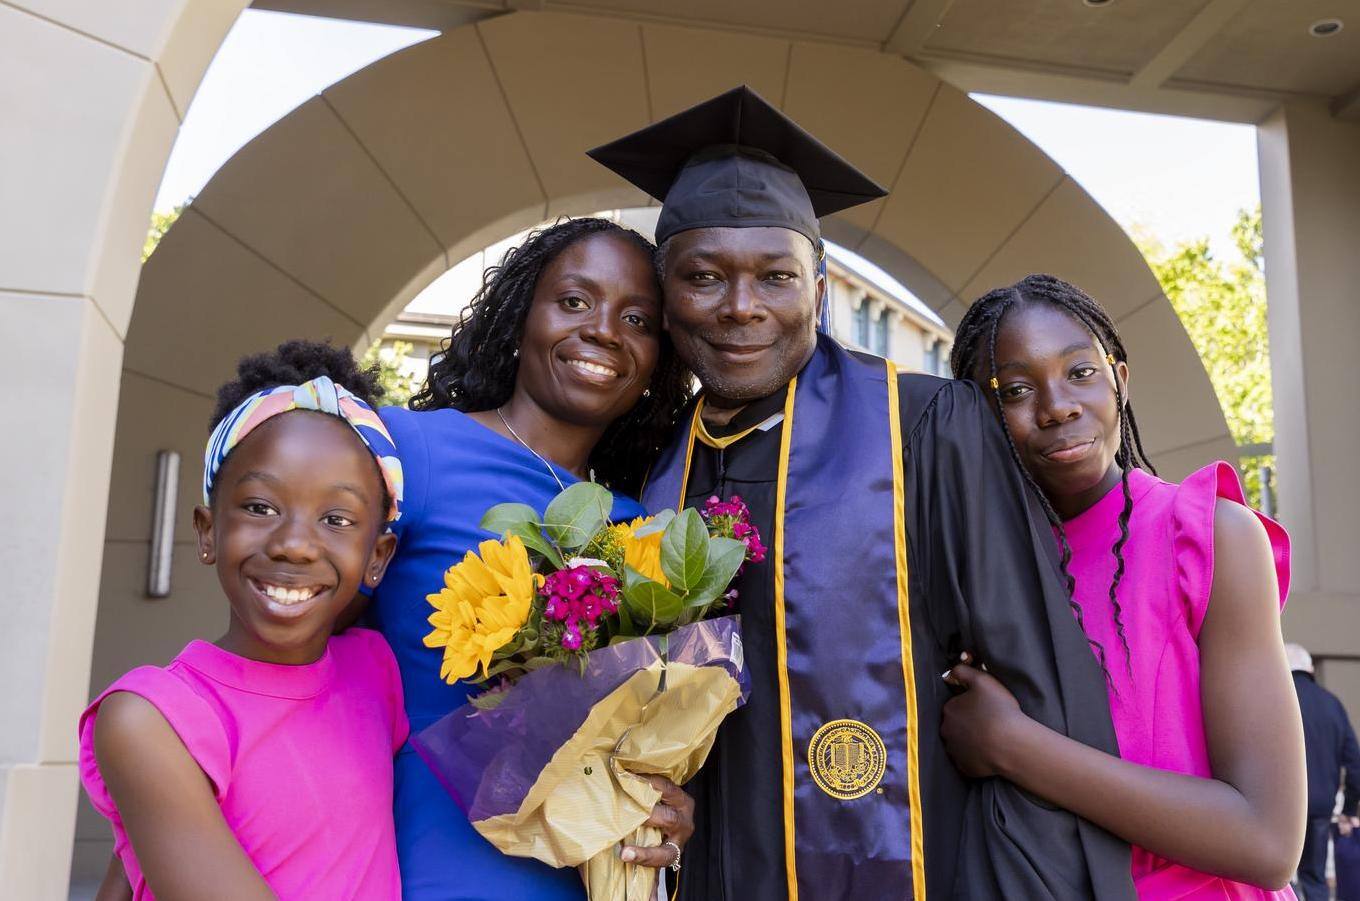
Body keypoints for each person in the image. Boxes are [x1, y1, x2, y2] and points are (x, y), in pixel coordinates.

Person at [588, 86, 1133, 899]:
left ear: (821, 289)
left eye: (776, 276)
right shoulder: (651, 474)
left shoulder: (928, 429)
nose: (742, 308)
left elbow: (1036, 693)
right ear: (666, 299)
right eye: (704, 277)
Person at [359, 218, 697, 899]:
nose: (604, 329)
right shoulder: (407, 453)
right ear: (519, 318)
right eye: (574, 301)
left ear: (657, 363)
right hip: (405, 865)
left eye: (637, 319)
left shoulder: (640, 536)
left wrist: (670, 806)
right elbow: (288, 659)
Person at [941, 274, 1306, 897]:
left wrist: (1010, 745)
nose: (1057, 405)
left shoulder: (1210, 538)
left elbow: (1268, 841)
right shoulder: (972, 567)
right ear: (979, 415)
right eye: (1016, 390)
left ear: (1120, 379)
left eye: (1080, 372)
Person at [79, 341, 408, 899]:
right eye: (260, 507)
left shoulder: (376, 668)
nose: (295, 546)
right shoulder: (154, 718)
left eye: (336, 518)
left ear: (377, 557)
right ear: (208, 531)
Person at [1287, 643, 1360, 900]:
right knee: (1315, 877)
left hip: (1280, 805)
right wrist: (1350, 809)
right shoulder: (1332, 704)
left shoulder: (1272, 700)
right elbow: (1354, 761)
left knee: (1279, 878)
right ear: (1309, 668)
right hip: (1320, 807)